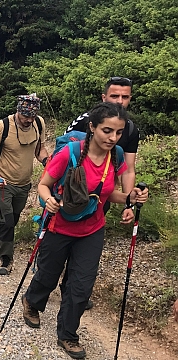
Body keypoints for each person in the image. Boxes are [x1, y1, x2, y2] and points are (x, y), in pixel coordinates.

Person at [22, 102, 148, 359]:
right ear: (92, 127)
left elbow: (106, 193)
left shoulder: (117, 156)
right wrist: (48, 200)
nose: (113, 137)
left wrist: (129, 199)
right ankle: (32, 302)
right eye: (107, 131)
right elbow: (44, 185)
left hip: (92, 230)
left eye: (119, 132)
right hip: (60, 226)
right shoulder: (69, 152)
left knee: (81, 286)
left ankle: (67, 335)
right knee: (48, 274)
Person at [64, 77, 140, 311]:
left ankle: (73, 291)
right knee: (64, 242)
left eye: (125, 97)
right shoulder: (86, 121)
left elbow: (128, 169)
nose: (120, 101)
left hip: (101, 196)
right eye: (115, 96)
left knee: (86, 244)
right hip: (70, 195)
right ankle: (46, 278)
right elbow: (64, 154)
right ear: (104, 98)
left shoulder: (129, 129)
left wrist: (128, 202)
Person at [0, 94, 49, 275]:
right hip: (3, 182)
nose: (29, 120)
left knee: (14, 220)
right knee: (7, 221)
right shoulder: (2, 126)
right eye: (25, 116)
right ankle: (6, 260)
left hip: (24, 183)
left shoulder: (39, 124)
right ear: (18, 110)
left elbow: (39, 149)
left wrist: (47, 161)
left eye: (32, 116)